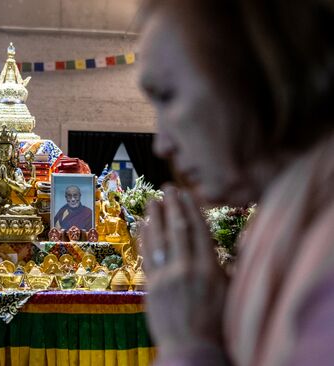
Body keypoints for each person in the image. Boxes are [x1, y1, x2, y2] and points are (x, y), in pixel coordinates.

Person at [138, 1, 334, 366]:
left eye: (167, 95)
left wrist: (188, 344)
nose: (161, 144)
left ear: (256, 73)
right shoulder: (286, 207)